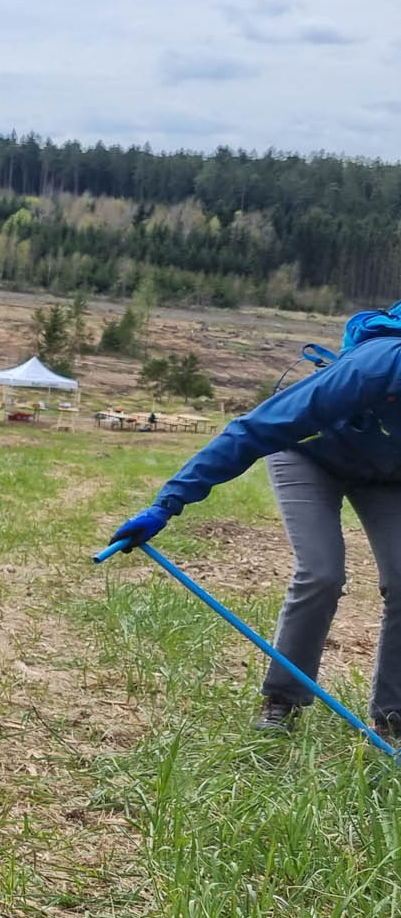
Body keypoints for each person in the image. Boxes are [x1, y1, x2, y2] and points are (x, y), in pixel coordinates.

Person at [108, 308, 401, 735]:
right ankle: (283, 700)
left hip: (386, 475)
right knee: (321, 572)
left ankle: (393, 717)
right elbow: (255, 429)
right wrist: (168, 504)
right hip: (308, 453)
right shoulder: (376, 365)